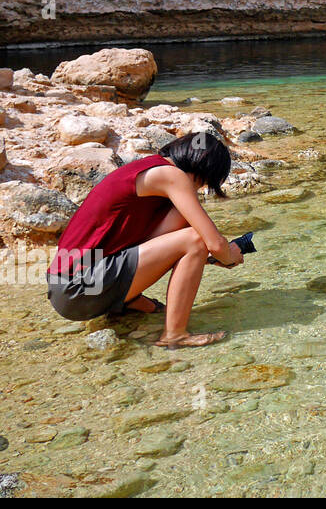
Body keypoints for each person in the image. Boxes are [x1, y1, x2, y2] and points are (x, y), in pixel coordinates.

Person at [46, 131, 243, 348]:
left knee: (184, 221)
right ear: (204, 167)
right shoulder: (172, 176)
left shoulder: (148, 168)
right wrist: (228, 256)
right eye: (207, 181)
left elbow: (153, 245)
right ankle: (175, 335)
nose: (201, 188)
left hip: (66, 287)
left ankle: (128, 302)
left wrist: (209, 256)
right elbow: (214, 243)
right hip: (79, 289)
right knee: (194, 239)